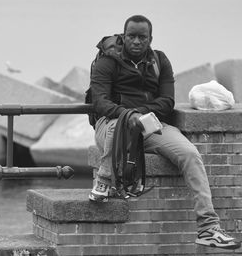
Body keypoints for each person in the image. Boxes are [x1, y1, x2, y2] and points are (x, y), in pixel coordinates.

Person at [88, 14, 241, 250]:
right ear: (123, 36)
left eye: (142, 37)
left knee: (190, 154)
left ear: (150, 38)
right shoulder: (107, 61)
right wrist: (128, 116)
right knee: (118, 127)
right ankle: (104, 180)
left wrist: (140, 114)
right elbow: (100, 102)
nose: (137, 42)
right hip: (111, 124)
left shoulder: (160, 61)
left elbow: (167, 102)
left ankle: (208, 228)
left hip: (150, 125)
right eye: (132, 36)